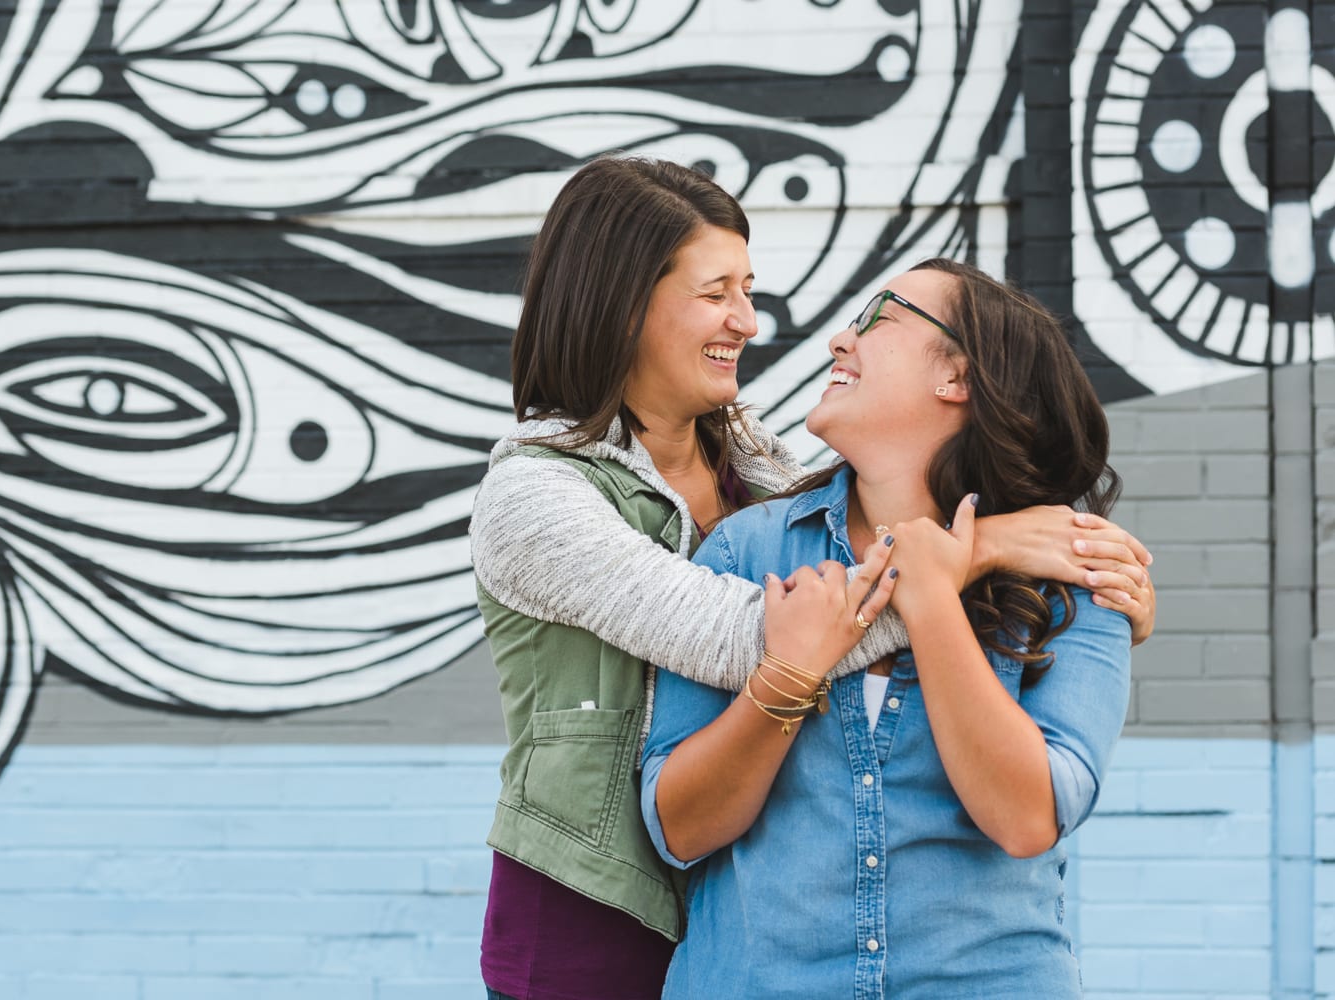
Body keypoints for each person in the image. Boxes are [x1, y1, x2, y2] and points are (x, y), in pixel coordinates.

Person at [471, 160, 1154, 1000]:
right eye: (717, 292)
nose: (750, 322)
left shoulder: (753, 472)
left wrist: (1080, 601)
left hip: (717, 926)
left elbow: (858, 525)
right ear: (625, 301)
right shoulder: (534, 494)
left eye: (747, 289)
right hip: (591, 917)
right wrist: (968, 556)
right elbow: (740, 635)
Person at [641, 258, 1136, 998]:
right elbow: (677, 828)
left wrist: (934, 597)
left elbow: (1028, 817)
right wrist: (787, 678)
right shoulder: (747, 552)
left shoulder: (1073, 572)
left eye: (880, 318)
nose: (841, 338)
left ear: (958, 377)